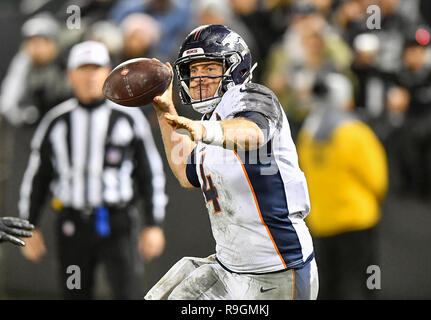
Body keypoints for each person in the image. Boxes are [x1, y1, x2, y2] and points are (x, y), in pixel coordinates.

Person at [143, 24, 318, 300]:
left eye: (209, 69)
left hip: (278, 272)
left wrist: (204, 132)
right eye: (194, 70)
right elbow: (186, 173)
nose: (199, 78)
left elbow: (252, 132)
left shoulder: (254, 97)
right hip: (229, 268)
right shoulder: (210, 122)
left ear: (235, 68)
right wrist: (166, 112)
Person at [18, 41, 168, 299]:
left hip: (117, 222)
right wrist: (27, 226)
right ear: (71, 75)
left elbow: (149, 172)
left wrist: (153, 223)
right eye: (83, 70)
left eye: (96, 69)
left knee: (127, 292)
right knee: (75, 293)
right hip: (72, 224)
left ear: (107, 74)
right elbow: (37, 176)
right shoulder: (56, 121)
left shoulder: (128, 118)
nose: (90, 77)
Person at [297, 72, 388, 299]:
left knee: (329, 282)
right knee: (368, 275)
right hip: (357, 218)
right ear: (346, 98)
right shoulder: (355, 132)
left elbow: (301, 176)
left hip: (322, 222)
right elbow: (377, 178)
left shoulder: (307, 135)